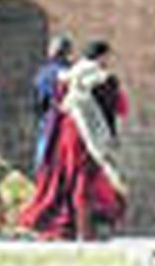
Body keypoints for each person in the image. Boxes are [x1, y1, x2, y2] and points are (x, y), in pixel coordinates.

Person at [19, 40, 128, 241]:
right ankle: (85, 230)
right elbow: (121, 107)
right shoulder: (103, 79)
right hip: (87, 137)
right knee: (86, 181)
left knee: (65, 179)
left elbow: (50, 105)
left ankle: (69, 227)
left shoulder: (65, 77)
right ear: (102, 56)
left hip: (64, 133)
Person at [31, 34, 75, 177]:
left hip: (50, 121)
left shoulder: (45, 73)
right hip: (72, 124)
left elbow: (40, 101)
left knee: (45, 165)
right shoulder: (74, 71)